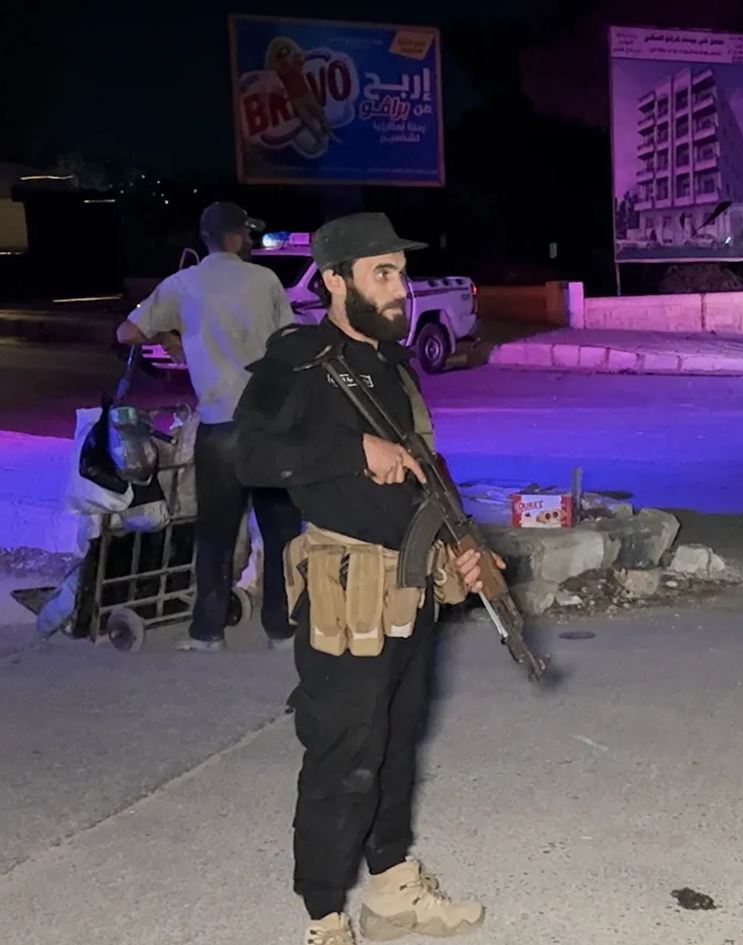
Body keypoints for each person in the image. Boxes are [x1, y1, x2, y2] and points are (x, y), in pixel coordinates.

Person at [234, 212, 498, 945]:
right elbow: (247, 454)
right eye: (381, 273)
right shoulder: (298, 362)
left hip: (409, 589)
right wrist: (353, 449)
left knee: (396, 743)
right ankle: (324, 917)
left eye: (401, 274)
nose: (399, 288)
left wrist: (466, 545)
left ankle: (392, 889)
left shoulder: (393, 367)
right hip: (345, 596)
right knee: (343, 754)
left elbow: (424, 474)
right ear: (333, 281)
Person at [116, 201, 303, 652]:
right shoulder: (266, 280)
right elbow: (291, 344)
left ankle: (207, 632)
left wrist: (169, 336)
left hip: (219, 428)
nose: (251, 241)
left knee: (216, 534)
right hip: (269, 425)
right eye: (247, 234)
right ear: (235, 237)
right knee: (280, 531)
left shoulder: (183, 284)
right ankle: (281, 629)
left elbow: (126, 333)